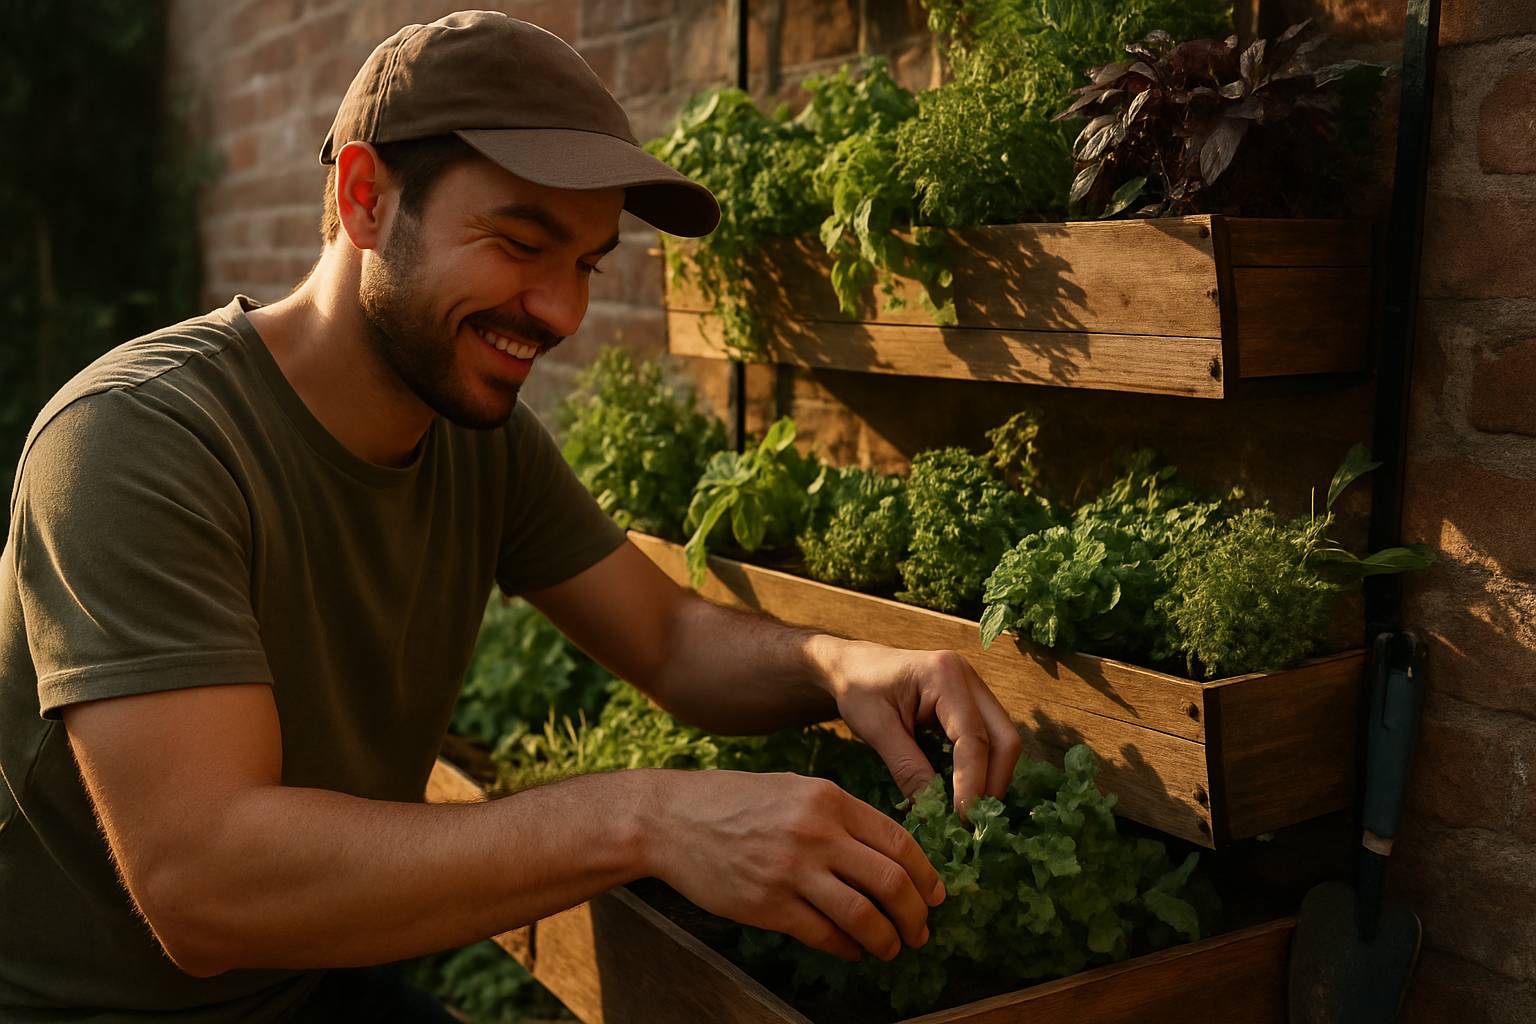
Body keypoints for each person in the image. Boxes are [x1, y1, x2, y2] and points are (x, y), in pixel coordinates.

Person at [0, 11, 1022, 1020]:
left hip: (304, 986)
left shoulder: (475, 439)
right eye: (519, 241)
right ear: (363, 198)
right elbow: (205, 885)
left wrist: (837, 665)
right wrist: (646, 816)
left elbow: (665, 637)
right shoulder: (137, 442)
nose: (561, 312)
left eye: (584, 263)